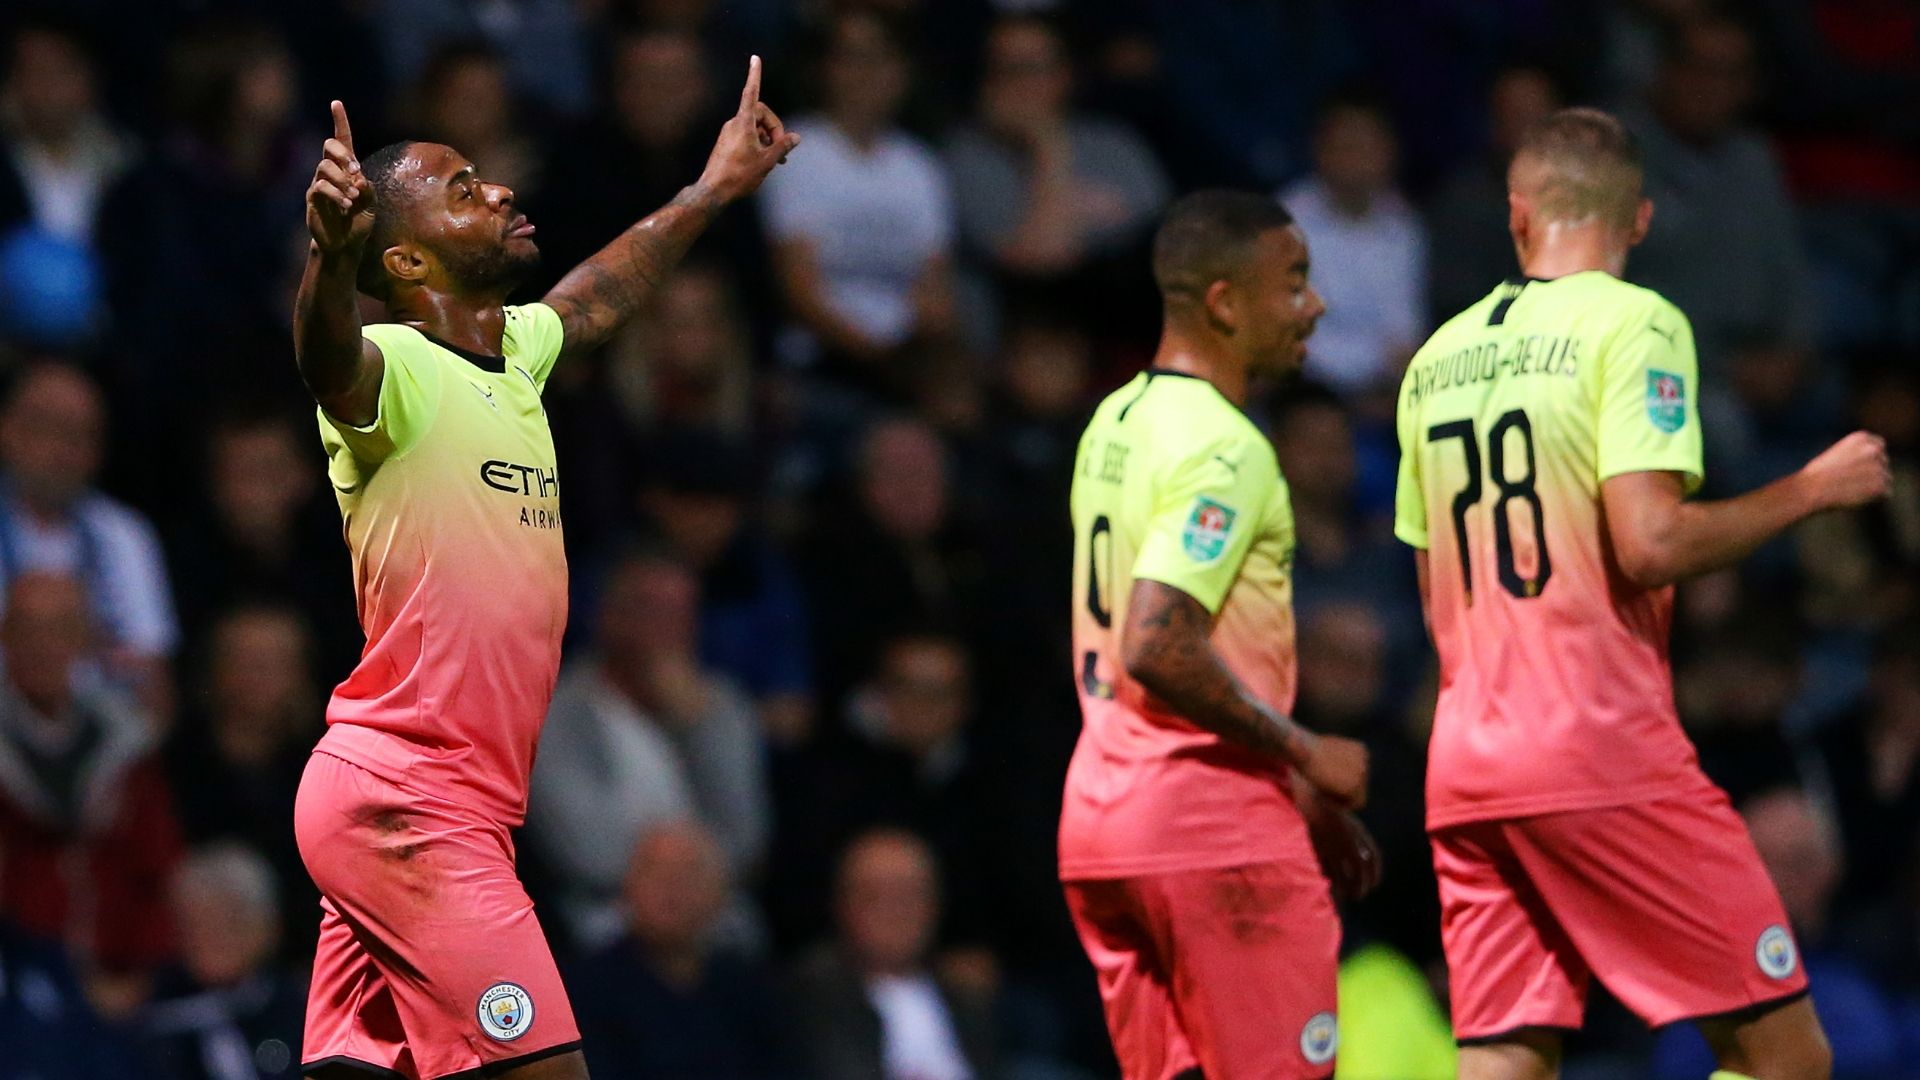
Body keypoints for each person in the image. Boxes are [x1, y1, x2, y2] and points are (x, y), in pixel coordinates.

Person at [289, 55, 798, 1080]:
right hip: (414, 804)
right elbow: (325, 357)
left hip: (428, 803)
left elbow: (601, 297)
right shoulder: (395, 373)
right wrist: (330, 266)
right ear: (411, 268)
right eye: (463, 192)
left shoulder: (513, 356)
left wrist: (711, 190)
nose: (502, 191)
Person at [1392, 107, 1890, 1080]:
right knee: (1787, 1057)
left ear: (1518, 214)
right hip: (1596, 743)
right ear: (1644, 219)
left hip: (1466, 758)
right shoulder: (1636, 322)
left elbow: (1433, 589)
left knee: (1502, 1059)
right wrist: (1812, 489)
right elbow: (1653, 542)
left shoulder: (1434, 360)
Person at [1060, 190, 1375, 1080]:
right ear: (1226, 303)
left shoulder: (1112, 423)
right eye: (1295, 283)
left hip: (1103, 819)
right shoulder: (1226, 447)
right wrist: (1303, 750)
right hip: (1211, 833)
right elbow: (1156, 643)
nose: (1315, 305)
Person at [527, 547, 768, 949]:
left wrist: (696, 728)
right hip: (602, 926)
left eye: (679, 613)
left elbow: (745, 842)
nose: (665, 628)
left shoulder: (722, 710)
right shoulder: (558, 712)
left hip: (717, 925)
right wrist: (677, 880)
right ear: (608, 616)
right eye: (649, 609)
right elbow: (587, 852)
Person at [0, 571, 181, 1008]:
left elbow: (156, 873)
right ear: (5, 638)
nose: (43, 645)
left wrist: (140, 976)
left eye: (61, 629)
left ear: (84, 640)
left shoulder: (124, 745)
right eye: (28, 629)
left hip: (120, 989)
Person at [567, 821, 791, 1080]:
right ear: (626, 886)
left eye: (689, 873)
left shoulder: (747, 986)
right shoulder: (586, 990)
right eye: (654, 870)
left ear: (722, 893)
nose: (671, 886)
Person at [787, 829, 998, 1080]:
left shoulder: (964, 996)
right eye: (876, 896)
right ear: (842, 904)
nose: (895, 913)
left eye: (910, 895)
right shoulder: (812, 996)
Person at [138, 843, 308, 1080]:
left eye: (227, 920)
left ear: (267, 926)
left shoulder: (303, 1011)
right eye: (195, 923)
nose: (208, 937)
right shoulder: (155, 1014)